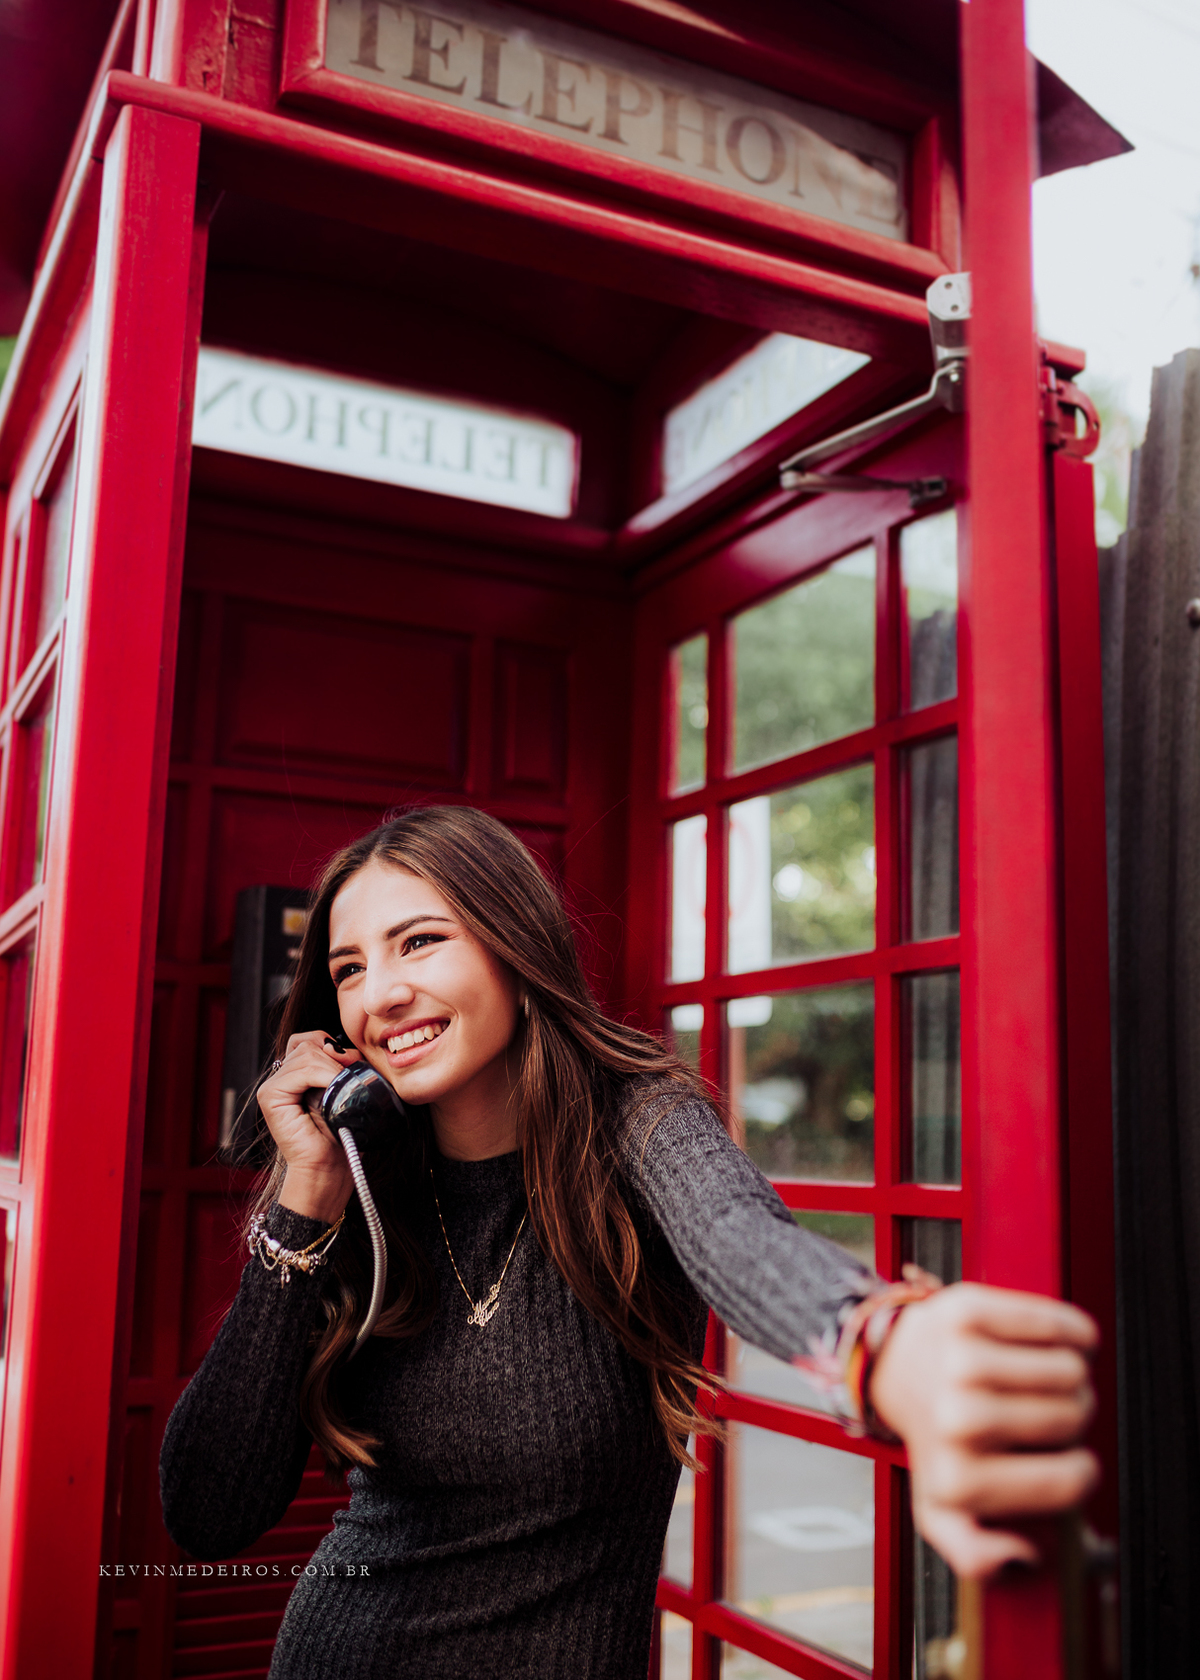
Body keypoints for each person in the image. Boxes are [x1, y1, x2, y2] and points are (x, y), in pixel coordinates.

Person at [159, 806, 1099, 1679]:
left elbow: (742, 1237)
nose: (383, 993)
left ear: (513, 947)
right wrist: (304, 1199)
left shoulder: (638, 1120)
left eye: (421, 942)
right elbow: (207, 1513)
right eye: (351, 967)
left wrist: (885, 1345)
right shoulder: (363, 1181)